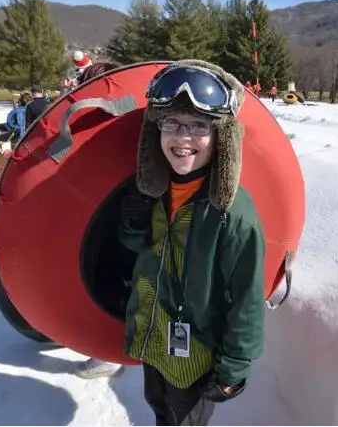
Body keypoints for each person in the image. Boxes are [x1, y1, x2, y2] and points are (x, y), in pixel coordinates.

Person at [116, 60, 266, 425]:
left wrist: (234, 366)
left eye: (199, 127)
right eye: (172, 124)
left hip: (196, 357)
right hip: (154, 343)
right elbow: (141, 252)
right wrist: (133, 217)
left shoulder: (233, 214)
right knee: (160, 412)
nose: (183, 139)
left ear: (220, 138)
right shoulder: (157, 191)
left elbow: (247, 296)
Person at [72, 60, 129, 380]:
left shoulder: (97, 113)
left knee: (106, 274)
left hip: (111, 212)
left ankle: (109, 350)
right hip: (115, 208)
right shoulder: (127, 105)